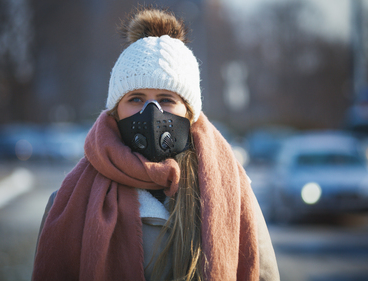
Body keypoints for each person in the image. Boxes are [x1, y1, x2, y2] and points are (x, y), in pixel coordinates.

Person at [32, 7, 279, 281]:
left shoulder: (233, 193)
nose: (152, 112)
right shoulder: (69, 202)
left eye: (166, 99)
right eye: (136, 98)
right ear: (115, 112)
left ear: (189, 112)